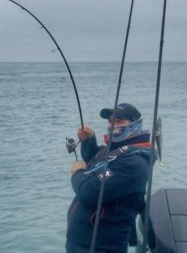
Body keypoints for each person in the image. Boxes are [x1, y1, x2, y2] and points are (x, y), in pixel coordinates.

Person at [66, 103, 153, 253]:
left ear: (136, 125)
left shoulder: (134, 163)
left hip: (102, 247)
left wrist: (77, 173)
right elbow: (96, 162)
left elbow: (88, 193)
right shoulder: (119, 150)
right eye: (110, 121)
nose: (112, 126)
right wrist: (89, 141)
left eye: (119, 122)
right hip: (81, 244)